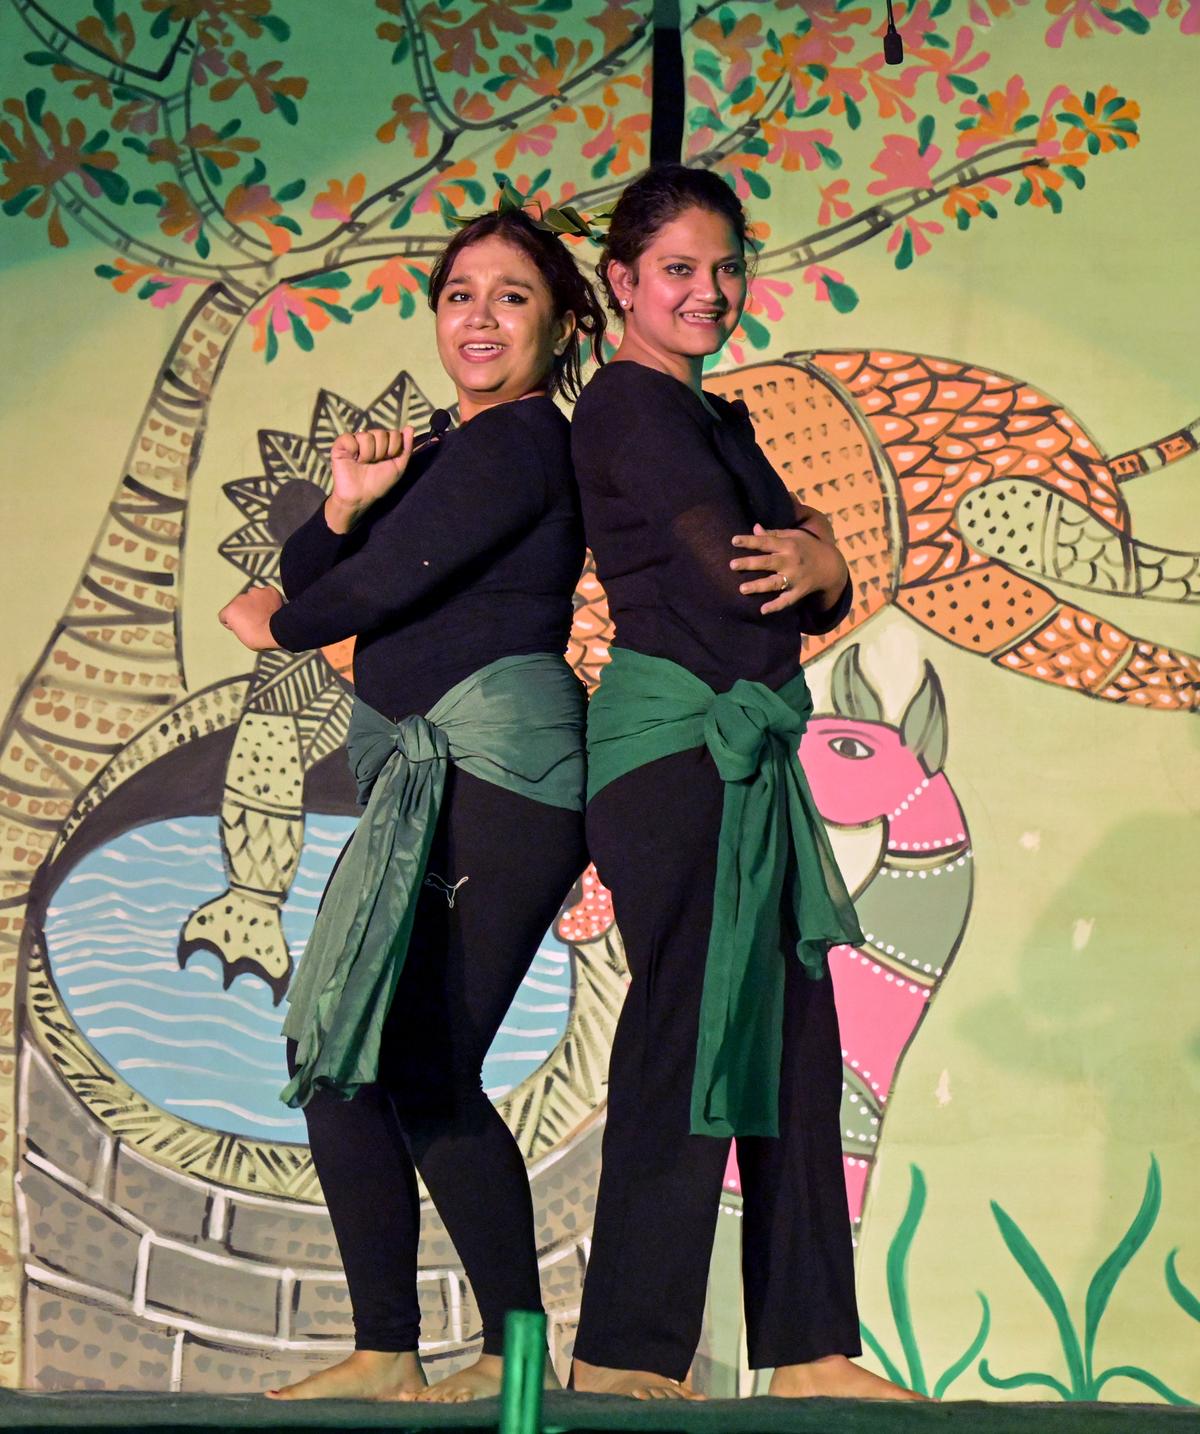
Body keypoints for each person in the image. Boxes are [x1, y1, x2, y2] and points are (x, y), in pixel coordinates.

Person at [218, 203, 605, 1404]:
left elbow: (379, 585)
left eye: (512, 296)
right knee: (342, 1061)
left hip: (497, 771)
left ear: (560, 323)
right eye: (457, 294)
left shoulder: (525, 443)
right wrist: (343, 499)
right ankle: (387, 1346)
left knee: (424, 1065)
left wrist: (279, 628)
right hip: (415, 777)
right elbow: (330, 565)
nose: (479, 317)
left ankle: (516, 1345)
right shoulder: (442, 448)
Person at [568, 165, 921, 1402]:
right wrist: (817, 560)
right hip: (679, 753)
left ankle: (813, 1348)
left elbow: (820, 570)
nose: (708, 291)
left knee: (795, 1042)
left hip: (745, 753)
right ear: (622, 283)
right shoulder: (626, 406)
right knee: (693, 1032)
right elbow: (746, 578)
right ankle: (626, 1351)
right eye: (679, 270)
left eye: (725, 270)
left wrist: (824, 556)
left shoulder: (718, 420)